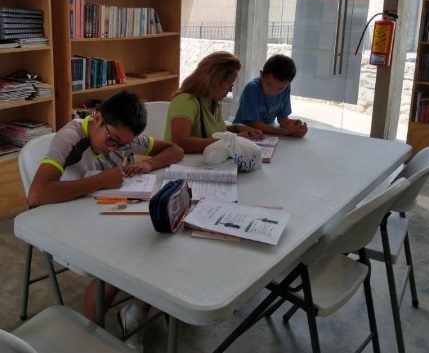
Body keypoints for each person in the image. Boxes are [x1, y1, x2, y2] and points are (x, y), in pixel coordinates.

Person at [28, 90, 184, 352]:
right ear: (97, 118)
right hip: (63, 221)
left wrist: (149, 164)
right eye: (111, 140)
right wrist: (100, 181)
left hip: (102, 212)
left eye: (122, 144)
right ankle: (92, 340)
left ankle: (135, 312)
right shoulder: (71, 137)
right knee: (122, 261)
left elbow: (175, 149)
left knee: (157, 241)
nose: (114, 148)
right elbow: (37, 195)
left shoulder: (123, 137)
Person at [164, 51, 263, 153]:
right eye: (230, 84)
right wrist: (230, 141)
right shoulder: (185, 101)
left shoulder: (214, 102)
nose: (230, 90)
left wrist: (236, 128)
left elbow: (214, 132)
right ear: (215, 79)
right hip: (183, 162)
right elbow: (180, 143)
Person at [233, 54, 308, 137]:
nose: (273, 92)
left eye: (280, 88)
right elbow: (253, 123)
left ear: (288, 84)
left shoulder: (286, 88)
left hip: (265, 136)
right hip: (242, 135)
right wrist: (284, 131)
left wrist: (294, 126)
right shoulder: (252, 89)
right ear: (261, 75)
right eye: (269, 85)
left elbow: (282, 118)